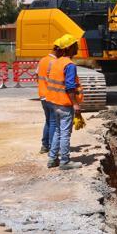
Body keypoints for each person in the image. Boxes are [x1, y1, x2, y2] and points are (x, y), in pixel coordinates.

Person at [45, 34, 84, 170]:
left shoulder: (56, 62)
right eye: (75, 45)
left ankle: (52, 159)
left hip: (53, 103)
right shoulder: (69, 65)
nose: (77, 47)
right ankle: (65, 161)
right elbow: (70, 86)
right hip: (65, 104)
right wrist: (75, 104)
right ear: (69, 48)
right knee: (65, 133)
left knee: (57, 131)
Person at [37, 39, 61, 154]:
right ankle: (52, 147)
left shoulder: (42, 60)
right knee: (53, 122)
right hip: (51, 96)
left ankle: (45, 145)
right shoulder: (54, 62)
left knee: (48, 121)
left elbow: (37, 75)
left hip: (42, 95)